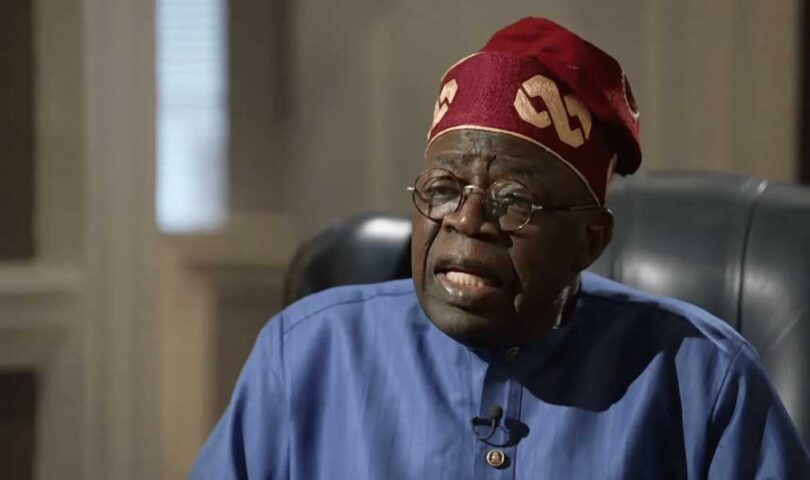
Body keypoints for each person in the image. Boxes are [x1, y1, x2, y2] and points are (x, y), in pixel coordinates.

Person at [191, 17, 810, 479]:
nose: (466, 222)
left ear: (590, 240)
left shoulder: (703, 379)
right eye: (442, 189)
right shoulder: (307, 354)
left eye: (512, 201)